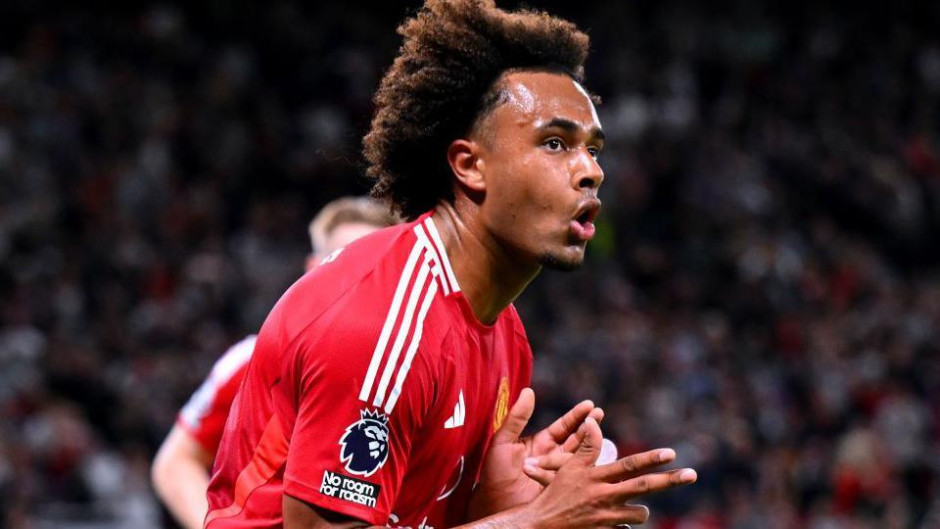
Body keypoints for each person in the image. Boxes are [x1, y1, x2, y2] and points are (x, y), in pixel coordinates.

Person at [205, 1, 698, 527]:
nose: (590, 172)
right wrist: (535, 521)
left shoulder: (504, 334)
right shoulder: (383, 326)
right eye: (555, 143)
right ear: (470, 165)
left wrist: (494, 501)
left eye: (593, 149)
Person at [151, 197, 399, 529]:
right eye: (343, 261)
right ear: (313, 268)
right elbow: (175, 462)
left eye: (372, 267)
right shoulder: (253, 359)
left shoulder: (422, 371)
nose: (358, 281)